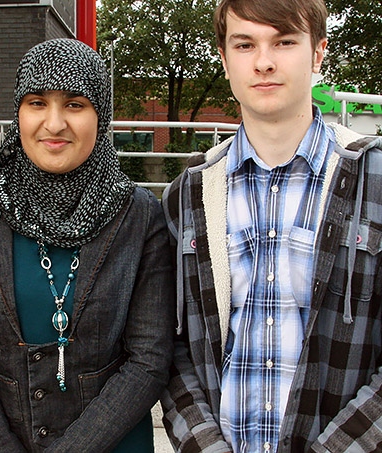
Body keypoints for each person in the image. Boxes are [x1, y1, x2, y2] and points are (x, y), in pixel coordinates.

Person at [160, 0, 382, 451]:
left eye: (283, 42)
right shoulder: (187, 195)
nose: (263, 62)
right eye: (245, 44)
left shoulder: (373, 180)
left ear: (318, 53)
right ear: (224, 59)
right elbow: (171, 350)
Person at [0, 38, 174, 452]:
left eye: (75, 104)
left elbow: (148, 360)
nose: (54, 123)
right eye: (37, 102)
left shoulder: (139, 216)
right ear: (18, 112)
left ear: (101, 115)